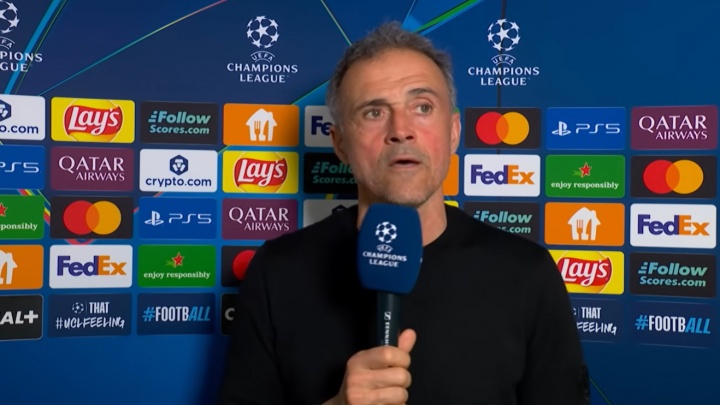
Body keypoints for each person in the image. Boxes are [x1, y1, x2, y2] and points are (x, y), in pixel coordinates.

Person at [218, 21, 589, 405]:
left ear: (454, 131)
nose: (401, 130)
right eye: (374, 112)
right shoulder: (277, 271)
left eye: (422, 107)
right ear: (340, 144)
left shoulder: (527, 273)